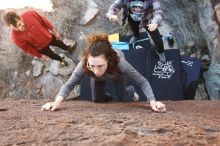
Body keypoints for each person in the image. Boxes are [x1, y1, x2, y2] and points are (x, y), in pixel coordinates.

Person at [41, 32, 166, 112]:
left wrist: (152, 101)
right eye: (92, 66)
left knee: (122, 97)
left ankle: (131, 91)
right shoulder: (85, 64)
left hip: (116, 74)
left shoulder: (119, 63)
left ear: (109, 60)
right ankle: (109, 96)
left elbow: (142, 81)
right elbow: (69, 84)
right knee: (97, 99)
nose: (96, 71)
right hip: (98, 80)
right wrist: (56, 102)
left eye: (100, 66)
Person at [2, 9, 75, 66]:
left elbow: (44, 21)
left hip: (48, 36)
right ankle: (61, 60)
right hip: (41, 48)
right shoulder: (15, 38)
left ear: (20, 17)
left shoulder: (30, 13)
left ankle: (67, 48)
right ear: (10, 27)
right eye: (16, 28)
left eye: (20, 24)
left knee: (59, 43)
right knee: (52, 55)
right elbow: (28, 49)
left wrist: (55, 31)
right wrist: (40, 56)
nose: (20, 28)